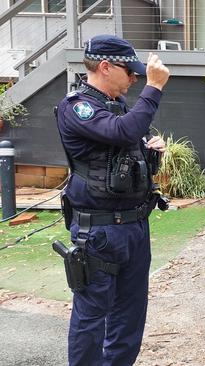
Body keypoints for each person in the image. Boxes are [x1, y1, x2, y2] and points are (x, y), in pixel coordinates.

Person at [55, 34, 170, 365]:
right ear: (105, 67)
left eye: (138, 74)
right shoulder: (78, 106)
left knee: (130, 316)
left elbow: (132, 139)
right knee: (92, 319)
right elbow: (122, 133)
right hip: (99, 233)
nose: (135, 78)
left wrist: (151, 151)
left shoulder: (119, 107)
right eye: (129, 71)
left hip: (135, 225)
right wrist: (154, 88)